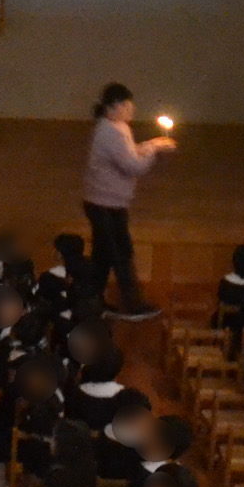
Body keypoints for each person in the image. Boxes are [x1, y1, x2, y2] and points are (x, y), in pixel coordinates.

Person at [80, 82, 175, 321]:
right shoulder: (110, 131)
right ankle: (133, 305)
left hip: (105, 201)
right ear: (113, 107)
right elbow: (133, 166)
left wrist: (152, 144)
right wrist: (155, 149)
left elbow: (129, 153)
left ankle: (91, 303)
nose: (132, 109)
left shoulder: (117, 127)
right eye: (127, 106)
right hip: (104, 204)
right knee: (120, 253)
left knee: (104, 255)